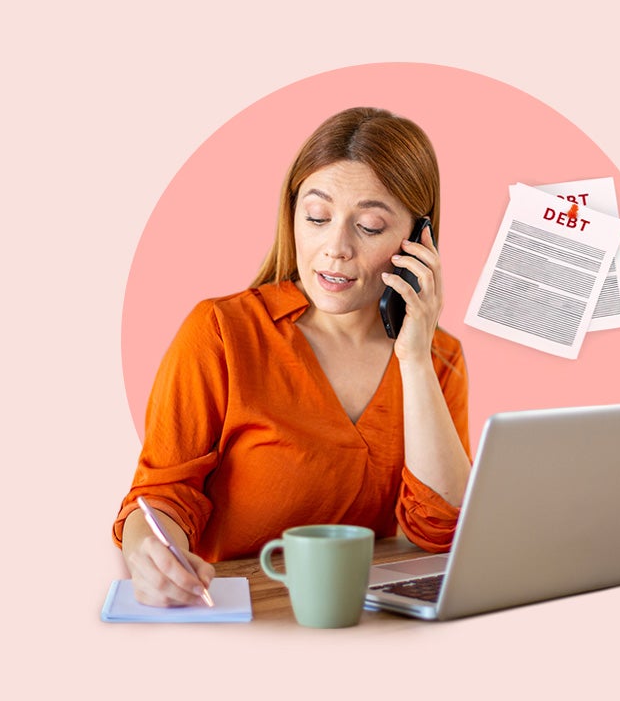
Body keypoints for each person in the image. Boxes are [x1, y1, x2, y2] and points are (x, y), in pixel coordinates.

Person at [112, 107, 472, 607]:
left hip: (355, 620)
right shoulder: (221, 331)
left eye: (370, 226)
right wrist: (149, 555)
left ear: (418, 239)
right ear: (293, 216)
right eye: (317, 218)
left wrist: (414, 359)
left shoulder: (437, 358)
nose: (336, 247)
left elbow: (442, 531)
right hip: (241, 617)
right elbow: (161, 497)